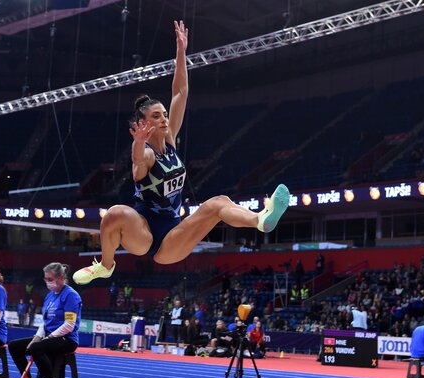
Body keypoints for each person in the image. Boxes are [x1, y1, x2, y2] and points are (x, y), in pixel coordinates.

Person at [72, 20, 289, 285]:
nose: (164, 119)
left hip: (173, 238)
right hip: (145, 234)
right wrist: (138, 142)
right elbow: (137, 162)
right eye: (156, 116)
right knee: (116, 212)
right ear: (144, 124)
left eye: (164, 114)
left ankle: (260, 219)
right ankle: (105, 266)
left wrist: (181, 53)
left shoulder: (171, 140)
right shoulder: (148, 153)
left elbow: (181, 92)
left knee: (218, 202)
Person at [8, 262, 82, 378]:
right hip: (49, 337)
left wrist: (49, 338)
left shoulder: (71, 295)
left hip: (67, 339)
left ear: (61, 278)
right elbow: (45, 321)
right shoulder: (50, 295)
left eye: (50, 279)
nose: (47, 282)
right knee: (14, 346)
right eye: (45, 279)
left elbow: (69, 325)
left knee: (37, 348)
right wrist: (37, 337)